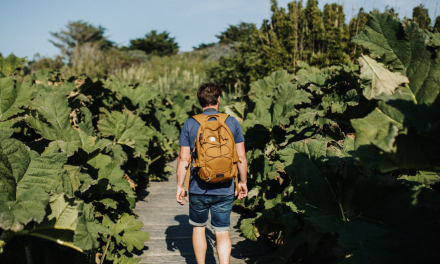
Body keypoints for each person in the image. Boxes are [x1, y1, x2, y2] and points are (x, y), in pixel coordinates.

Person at [176, 83, 248, 264]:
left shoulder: (190, 123)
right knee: (222, 231)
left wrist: (179, 186)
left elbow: (183, 159)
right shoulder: (231, 122)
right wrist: (243, 182)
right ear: (219, 99)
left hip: (198, 187)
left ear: (200, 100)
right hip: (225, 186)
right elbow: (241, 156)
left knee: (199, 228)